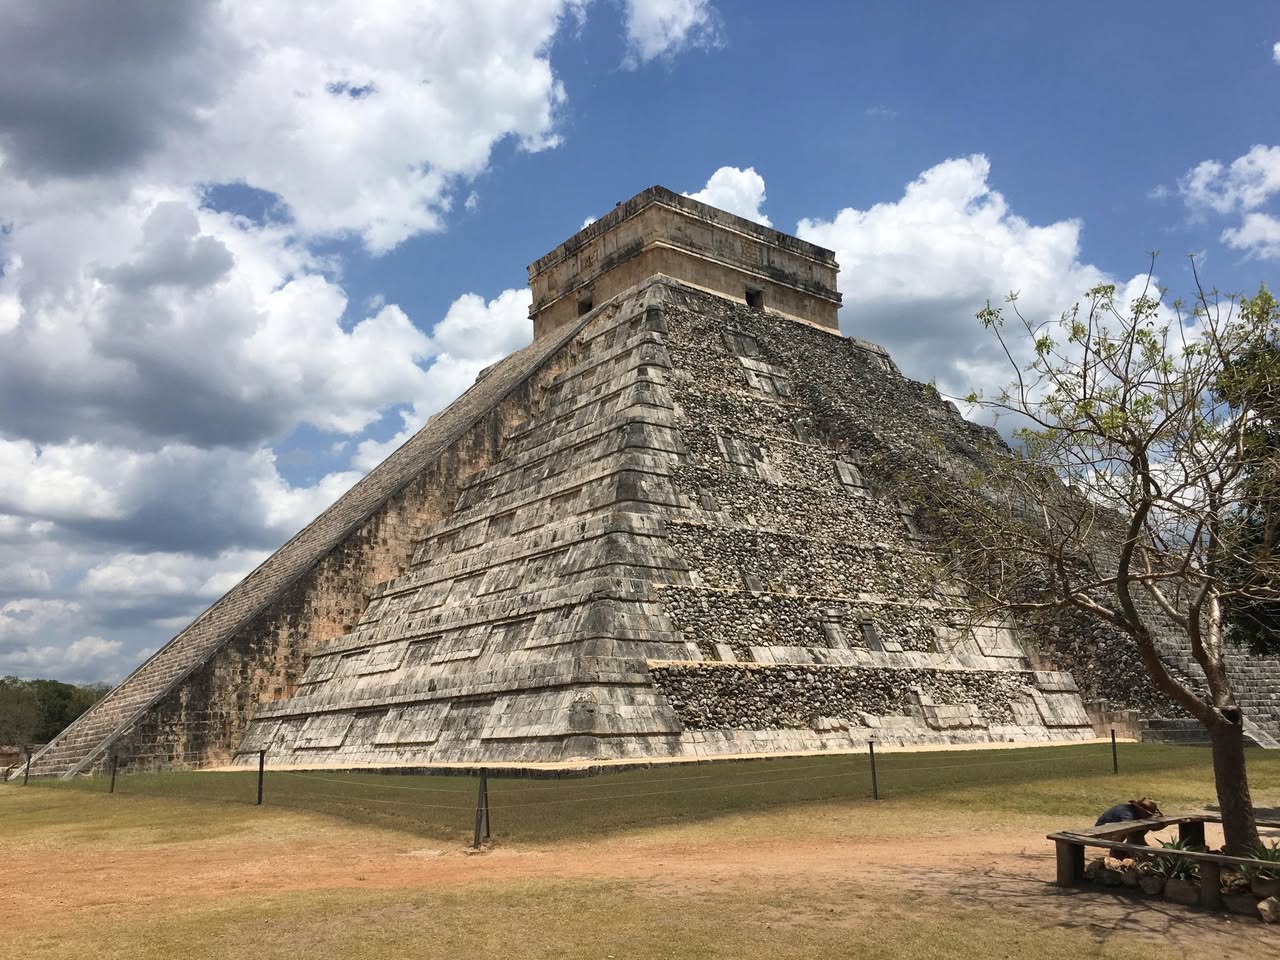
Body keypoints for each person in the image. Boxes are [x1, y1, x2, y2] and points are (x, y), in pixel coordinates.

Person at [1095, 796, 1163, 846]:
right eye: (1147, 814)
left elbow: (1153, 829)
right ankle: (1116, 852)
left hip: (1112, 830)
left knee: (1142, 827)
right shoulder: (1128, 814)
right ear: (1140, 809)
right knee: (1126, 831)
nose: (1148, 815)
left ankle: (1131, 851)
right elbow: (1129, 832)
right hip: (1102, 833)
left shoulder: (1137, 813)